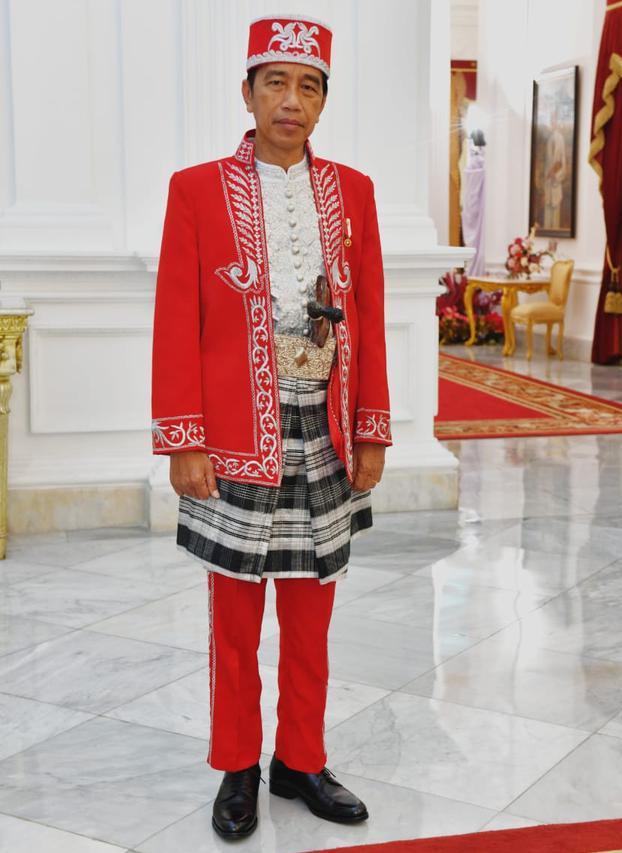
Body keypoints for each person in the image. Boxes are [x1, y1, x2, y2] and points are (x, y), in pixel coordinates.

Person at [151, 12, 392, 841]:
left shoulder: (354, 191)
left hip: (324, 423)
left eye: (311, 85)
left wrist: (372, 431)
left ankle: (300, 757)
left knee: (312, 605)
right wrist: (183, 439)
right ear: (248, 93)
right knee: (234, 610)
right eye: (278, 83)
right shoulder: (194, 188)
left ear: (324, 101)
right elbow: (175, 319)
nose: (294, 100)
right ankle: (236, 766)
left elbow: (372, 313)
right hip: (232, 429)